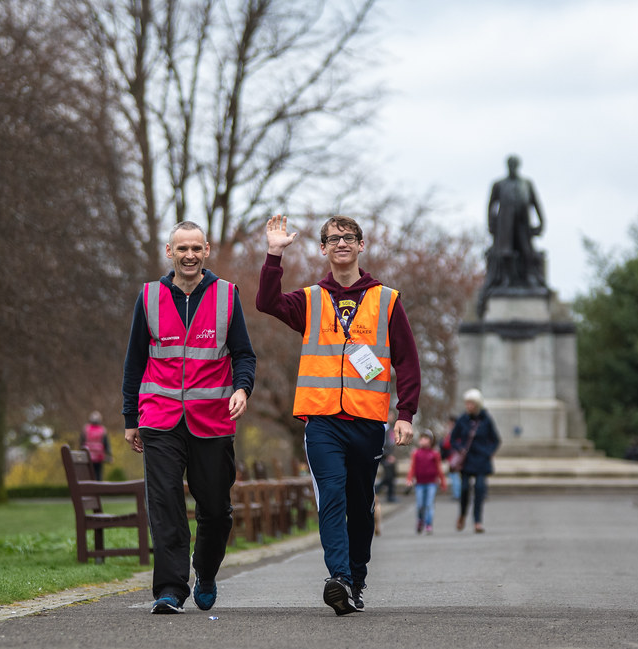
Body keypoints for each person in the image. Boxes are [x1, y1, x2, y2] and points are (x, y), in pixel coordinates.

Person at [257, 214, 420, 615]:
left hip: (366, 422)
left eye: (349, 237)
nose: (342, 243)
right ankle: (340, 579)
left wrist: (406, 413)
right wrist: (274, 254)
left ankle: (357, 578)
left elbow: (408, 361)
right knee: (330, 497)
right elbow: (267, 302)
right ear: (323, 249)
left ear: (361, 245)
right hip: (322, 420)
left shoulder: (387, 299)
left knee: (360, 505)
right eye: (333, 238)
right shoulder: (310, 299)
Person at [121, 221, 257, 614]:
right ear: (170, 252)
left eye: (196, 248)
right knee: (165, 504)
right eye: (182, 249)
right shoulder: (148, 297)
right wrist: (131, 417)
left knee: (215, 508)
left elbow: (244, 353)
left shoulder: (227, 296)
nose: (190, 255)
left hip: (212, 418)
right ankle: (170, 588)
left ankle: (206, 570)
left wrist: (242, 388)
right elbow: (134, 363)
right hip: (160, 418)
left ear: (207, 250)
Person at [479, 155, 546, 316]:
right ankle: (506, 280)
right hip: (505, 224)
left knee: (527, 252)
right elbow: (491, 206)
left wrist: (541, 223)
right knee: (505, 253)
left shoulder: (527, 184)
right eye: (510, 164)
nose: (512, 167)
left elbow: (536, 204)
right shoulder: (499, 184)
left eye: (515, 164)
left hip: (523, 224)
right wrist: (491, 225)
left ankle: (530, 278)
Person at [450, 389, 500, 533]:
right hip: (466, 460)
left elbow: (495, 439)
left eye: (471, 403)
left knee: (479, 490)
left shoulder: (486, 419)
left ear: (477, 404)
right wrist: (459, 449)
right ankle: (462, 514)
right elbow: (453, 438)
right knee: (465, 489)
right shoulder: (462, 419)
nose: (468, 406)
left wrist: (488, 453)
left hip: (481, 460)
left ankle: (477, 521)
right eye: (467, 403)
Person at [406, 430, 447, 534]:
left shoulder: (434, 454)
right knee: (420, 504)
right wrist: (409, 479)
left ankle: (429, 524)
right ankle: (420, 520)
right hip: (419, 483)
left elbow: (439, 469)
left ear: (430, 441)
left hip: (431, 483)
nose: (423, 441)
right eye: (421, 438)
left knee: (429, 504)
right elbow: (413, 467)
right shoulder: (416, 453)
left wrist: (443, 482)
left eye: (425, 438)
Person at [79, 411, 111, 481]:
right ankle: (98, 489)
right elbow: (106, 443)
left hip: (88, 455)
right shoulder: (102, 430)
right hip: (99, 456)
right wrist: (109, 454)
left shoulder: (86, 429)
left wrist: (81, 452)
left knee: (89, 474)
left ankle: (91, 488)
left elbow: (82, 442)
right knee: (98, 475)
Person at [375, 410, 399, 502]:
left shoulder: (391, 429)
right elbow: (381, 444)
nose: (392, 418)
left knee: (392, 475)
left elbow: (391, 443)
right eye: (390, 415)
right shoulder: (383, 427)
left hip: (390, 455)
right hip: (384, 455)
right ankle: (377, 489)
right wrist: (387, 455)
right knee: (388, 476)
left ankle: (390, 496)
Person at [440, 415, 460, 499]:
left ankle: (457, 494)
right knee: (455, 476)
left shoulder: (454, 433)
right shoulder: (456, 432)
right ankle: (457, 493)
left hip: (454, 457)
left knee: (455, 476)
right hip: (453, 456)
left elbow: (447, 444)